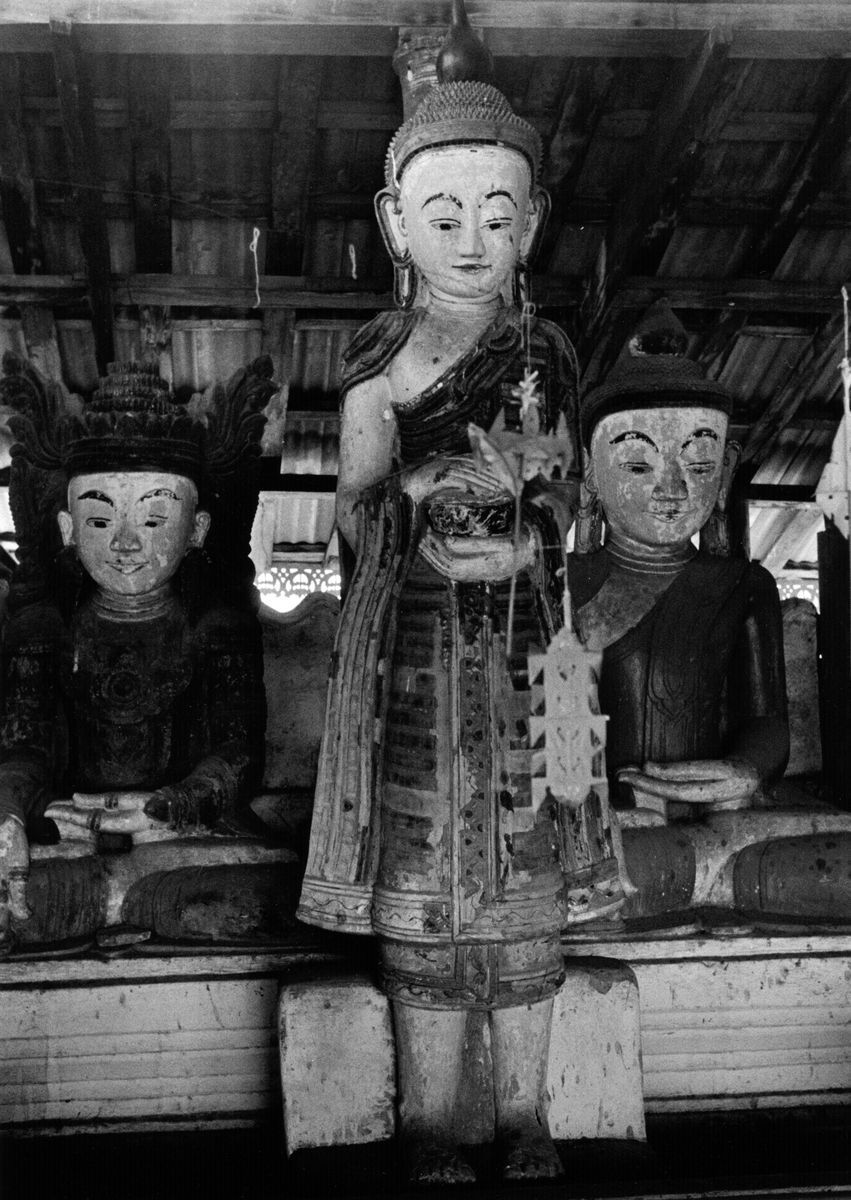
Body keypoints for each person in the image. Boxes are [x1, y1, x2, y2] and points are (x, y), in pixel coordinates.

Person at [298, 79, 629, 1184]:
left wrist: (530, 527)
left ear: (531, 223)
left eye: (497, 215)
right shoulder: (378, 359)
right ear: (395, 224)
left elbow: (568, 494)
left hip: (527, 636)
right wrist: (417, 489)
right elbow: (350, 513)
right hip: (416, 644)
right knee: (423, 862)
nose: (473, 240)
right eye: (444, 217)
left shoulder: (549, 352)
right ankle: (430, 1122)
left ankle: (527, 1110)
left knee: (530, 866)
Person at [0, 356, 273, 948]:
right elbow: (24, 750)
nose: (125, 542)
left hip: (179, 840)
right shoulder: (44, 629)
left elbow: (238, 755)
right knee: (21, 888)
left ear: (197, 529)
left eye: (154, 518)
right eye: (100, 520)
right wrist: (10, 813)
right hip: (72, 837)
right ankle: (120, 898)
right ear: (68, 528)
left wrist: (171, 807)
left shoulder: (218, 628)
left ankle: (113, 899)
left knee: (256, 894)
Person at [568, 300, 789, 819]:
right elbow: (557, 731)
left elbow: (769, 722)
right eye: (638, 464)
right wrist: (590, 805)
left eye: (699, 464)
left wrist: (746, 770)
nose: (672, 488)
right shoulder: (565, 585)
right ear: (591, 473)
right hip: (610, 822)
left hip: (714, 819)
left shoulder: (746, 586)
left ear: (725, 471)